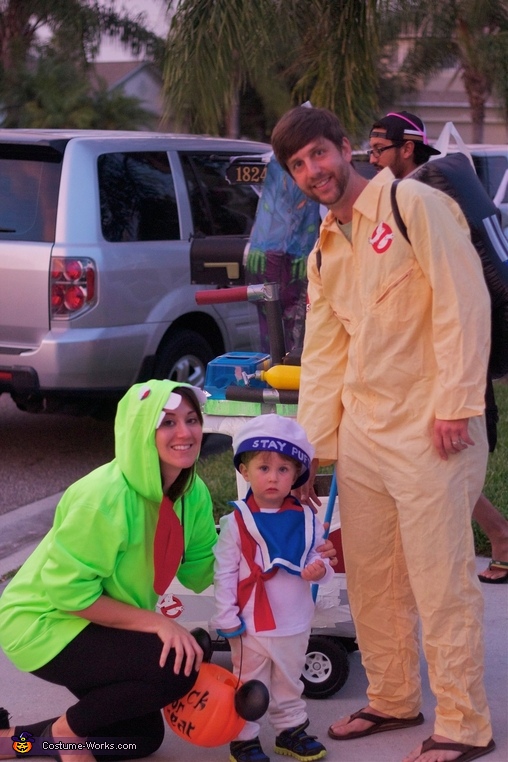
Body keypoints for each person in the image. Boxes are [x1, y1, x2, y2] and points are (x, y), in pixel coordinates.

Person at [271, 106, 495, 762]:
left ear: (346, 149)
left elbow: (464, 301)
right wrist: (311, 450)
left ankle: (463, 722)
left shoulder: (413, 205)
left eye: (319, 154)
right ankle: (394, 698)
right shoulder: (324, 251)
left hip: (434, 430)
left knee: (438, 576)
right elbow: (324, 355)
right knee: (371, 577)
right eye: (299, 165)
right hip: (365, 436)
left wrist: (456, 403)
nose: (314, 171)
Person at [0, 379, 218, 762]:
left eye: (191, 419)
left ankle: (18, 742)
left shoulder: (192, 493)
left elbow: (202, 572)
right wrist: (158, 624)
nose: (184, 432)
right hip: (42, 621)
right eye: (167, 422)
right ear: (139, 431)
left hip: (97, 618)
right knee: (176, 667)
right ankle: (68, 733)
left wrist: (266, 539)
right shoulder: (102, 497)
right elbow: (69, 595)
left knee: (137, 736)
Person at [368, 110, 508, 585]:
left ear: (407, 147)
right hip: (467, 346)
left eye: (378, 150)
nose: (372, 160)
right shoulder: (447, 177)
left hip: (454, 351)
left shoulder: (422, 193)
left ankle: (498, 535)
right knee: (436, 458)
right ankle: (500, 533)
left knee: (437, 459)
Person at [211, 414, 332, 762]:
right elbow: (225, 572)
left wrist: (318, 570)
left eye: (283, 469)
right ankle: (244, 737)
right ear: (245, 472)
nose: (274, 477)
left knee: (290, 681)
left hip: (294, 621)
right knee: (249, 683)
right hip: (251, 626)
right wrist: (226, 615)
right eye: (264, 468)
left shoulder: (307, 520)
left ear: (296, 476)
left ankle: (290, 730)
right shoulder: (236, 521)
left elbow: (323, 565)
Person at [246, 153, 321, 353]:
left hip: (276, 252)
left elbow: (274, 204)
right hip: (282, 253)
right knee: (284, 324)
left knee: (279, 324)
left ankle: (279, 368)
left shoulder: (284, 161)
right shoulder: (290, 162)